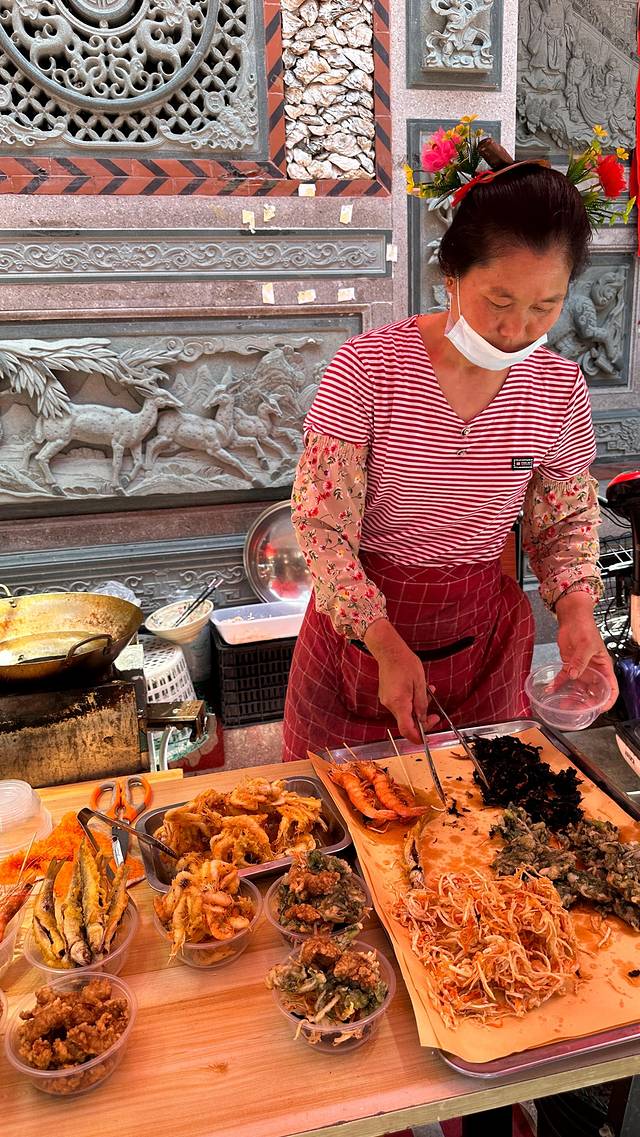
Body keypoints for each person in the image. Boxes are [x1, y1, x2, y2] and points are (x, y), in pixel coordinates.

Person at [282, 138, 619, 763]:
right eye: (499, 301)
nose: (517, 330)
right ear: (451, 277)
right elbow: (322, 527)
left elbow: (565, 524)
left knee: (486, 804)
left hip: (482, 636)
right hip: (362, 632)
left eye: (544, 307)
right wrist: (383, 643)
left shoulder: (558, 388)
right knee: (344, 806)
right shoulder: (368, 369)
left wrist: (577, 615)